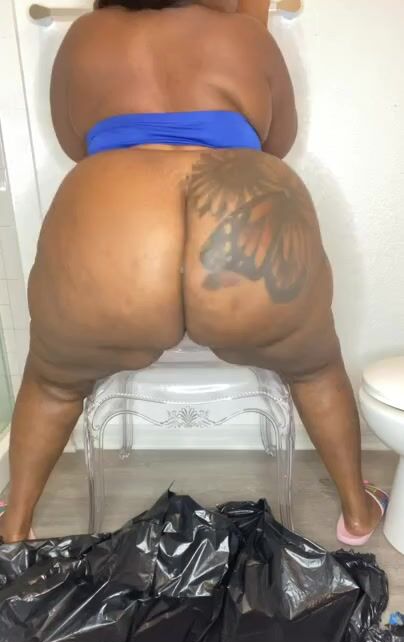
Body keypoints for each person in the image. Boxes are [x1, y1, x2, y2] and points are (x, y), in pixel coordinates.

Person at [0, 0, 388, 545]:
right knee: (315, 370)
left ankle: (14, 523)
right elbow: (277, 143)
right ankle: (358, 511)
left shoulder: (85, 35)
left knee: (54, 383)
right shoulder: (244, 34)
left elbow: (74, 143)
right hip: (241, 222)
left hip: (114, 230)